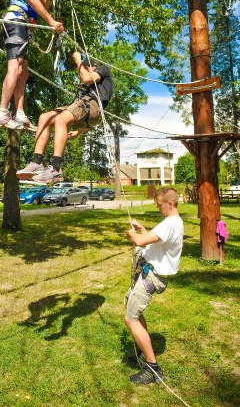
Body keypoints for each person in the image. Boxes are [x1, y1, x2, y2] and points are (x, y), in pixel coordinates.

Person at [0, 0, 64, 131]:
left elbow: (43, 5)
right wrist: (52, 22)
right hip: (16, 20)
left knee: (23, 73)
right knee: (15, 69)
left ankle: (20, 114)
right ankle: (2, 113)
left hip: (21, 25)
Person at [16, 52, 113, 183]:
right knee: (44, 118)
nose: (79, 76)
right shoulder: (86, 89)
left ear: (89, 67)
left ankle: (55, 169)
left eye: (81, 71)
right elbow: (89, 120)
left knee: (60, 120)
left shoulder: (102, 70)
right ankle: (37, 162)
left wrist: (78, 60)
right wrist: (78, 132)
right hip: (83, 108)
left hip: (92, 104)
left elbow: (87, 79)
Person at [124, 187, 184, 385]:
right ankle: (143, 351)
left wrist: (132, 235)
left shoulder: (171, 223)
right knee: (132, 307)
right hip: (151, 274)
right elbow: (155, 241)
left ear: (170, 203)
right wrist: (142, 231)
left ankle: (152, 368)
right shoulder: (173, 222)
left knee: (130, 318)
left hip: (152, 277)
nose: (158, 208)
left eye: (159, 205)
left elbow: (139, 242)